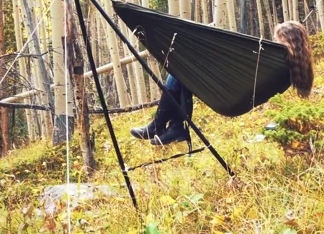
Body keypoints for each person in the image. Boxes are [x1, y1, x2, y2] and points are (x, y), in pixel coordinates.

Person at [130, 21, 314, 145]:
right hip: (238, 91)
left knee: (180, 70)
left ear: (289, 41)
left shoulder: (279, 61)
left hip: (235, 94)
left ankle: (162, 125)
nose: (273, 42)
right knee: (181, 72)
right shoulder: (293, 66)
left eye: (277, 39)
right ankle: (175, 127)